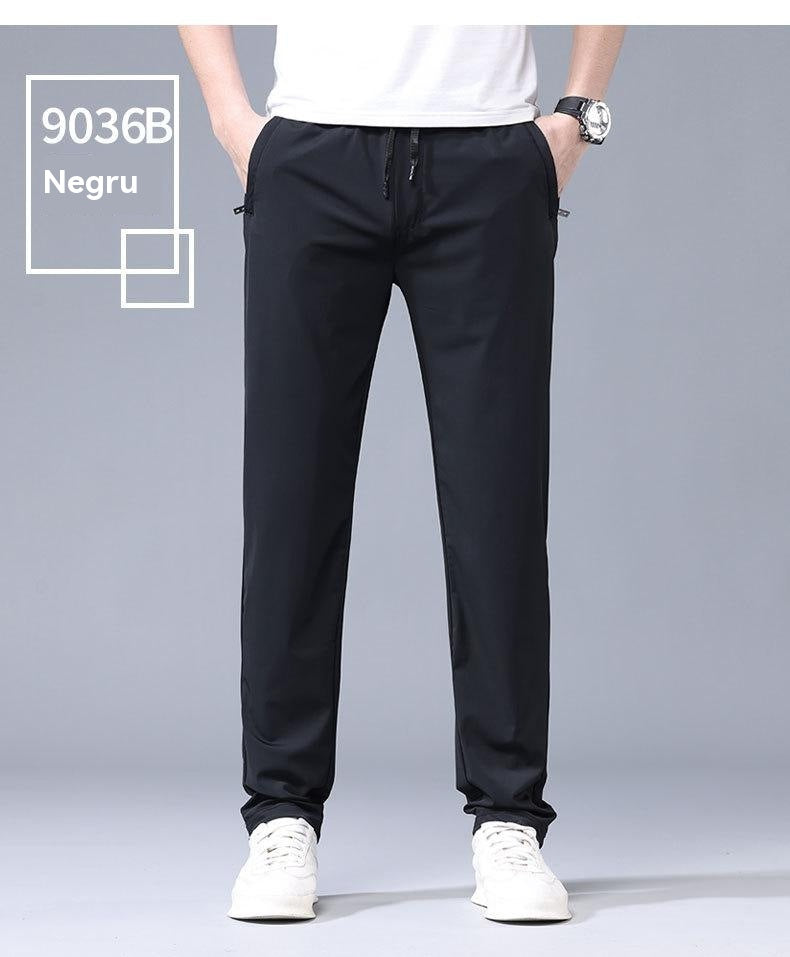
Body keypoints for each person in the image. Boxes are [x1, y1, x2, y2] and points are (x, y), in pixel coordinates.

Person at [179, 24, 625, 922]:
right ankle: (280, 815)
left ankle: (509, 818)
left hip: (488, 159)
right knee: (291, 505)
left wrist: (578, 114)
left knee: (499, 507)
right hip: (312, 155)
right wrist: (231, 118)